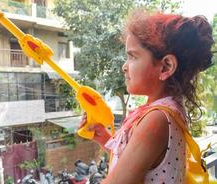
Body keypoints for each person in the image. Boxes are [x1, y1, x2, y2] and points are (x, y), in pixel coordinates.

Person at [79, 11, 214, 184]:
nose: (124, 67)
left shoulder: (157, 120)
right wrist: (104, 138)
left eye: (132, 56)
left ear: (166, 67)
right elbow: (140, 163)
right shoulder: (164, 110)